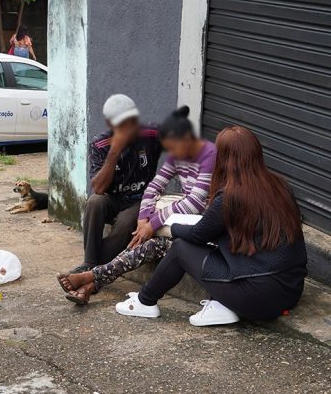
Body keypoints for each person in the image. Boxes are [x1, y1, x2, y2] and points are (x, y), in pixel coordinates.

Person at [114, 126, 307, 326]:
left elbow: (198, 235)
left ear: (223, 158)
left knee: (180, 248)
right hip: (291, 291)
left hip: (257, 299)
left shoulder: (230, 197)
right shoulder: (281, 185)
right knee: (222, 247)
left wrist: (169, 227)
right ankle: (222, 305)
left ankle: (145, 301)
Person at [58, 106, 216, 304]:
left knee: (140, 238)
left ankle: (90, 279)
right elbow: (154, 187)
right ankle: (90, 281)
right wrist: (144, 219)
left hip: (202, 228)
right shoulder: (178, 155)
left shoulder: (209, 153)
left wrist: (153, 222)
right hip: (185, 224)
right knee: (141, 244)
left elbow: (194, 202)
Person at [68, 94, 162, 274]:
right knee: (95, 202)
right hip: (113, 198)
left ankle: (95, 270)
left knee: (126, 222)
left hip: (140, 200)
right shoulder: (100, 144)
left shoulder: (151, 135)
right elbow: (99, 188)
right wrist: (114, 152)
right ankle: (90, 263)